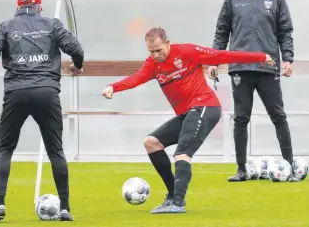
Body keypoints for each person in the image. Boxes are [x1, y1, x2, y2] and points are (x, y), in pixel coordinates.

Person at [102, 27, 275, 214]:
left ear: (168, 43)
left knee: (181, 154)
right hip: (186, 113)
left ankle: (177, 203)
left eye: (159, 50)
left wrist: (260, 56)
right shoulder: (152, 64)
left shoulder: (186, 52)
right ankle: (172, 195)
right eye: (151, 51)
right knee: (151, 143)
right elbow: (136, 78)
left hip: (205, 107)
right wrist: (113, 86)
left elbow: (221, 55)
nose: (156, 55)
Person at [0, 0, 84, 222]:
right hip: (47, 92)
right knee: (56, 151)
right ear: (40, 7)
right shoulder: (53, 25)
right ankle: (65, 208)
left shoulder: (5, 26)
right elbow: (77, 49)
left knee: (5, 149)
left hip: (16, 93)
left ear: (17, 7)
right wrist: (78, 65)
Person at [208, 0, 298, 182]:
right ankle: (241, 169)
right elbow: (222, 31)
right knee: (240, 118)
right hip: (239, 68)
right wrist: (213, 60)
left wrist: (287, 59)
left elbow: (285, 32)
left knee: (278, 116)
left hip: (268, 68)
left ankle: (289, 165)